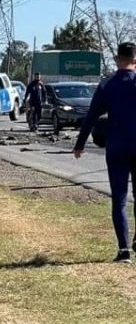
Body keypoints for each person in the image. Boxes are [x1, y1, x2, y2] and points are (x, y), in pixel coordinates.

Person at [74, 42, 136, 263]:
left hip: (117, 147)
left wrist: (80, 143)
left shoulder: (107, 85)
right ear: (135, 60)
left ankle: (123, 250)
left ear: (118, 59)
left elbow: (91, 116)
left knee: (119, 199)